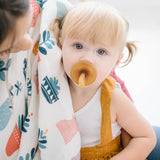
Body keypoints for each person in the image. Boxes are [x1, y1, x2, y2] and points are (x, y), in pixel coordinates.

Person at [51, 1, 157, 159]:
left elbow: (146, 137)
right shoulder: (52, 85)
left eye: (101, 51)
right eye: (78, 46)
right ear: (61, 45)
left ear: (115, 62)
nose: (87, 59)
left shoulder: (113, 97)